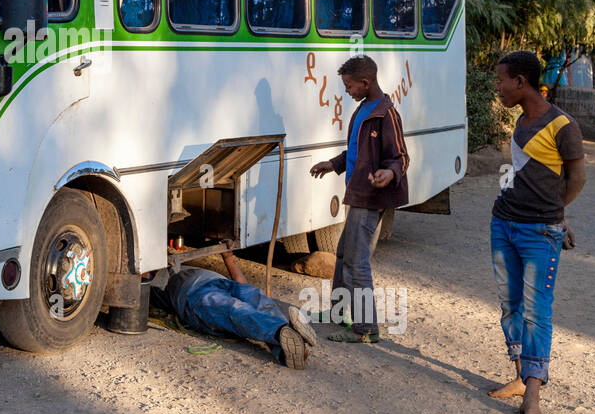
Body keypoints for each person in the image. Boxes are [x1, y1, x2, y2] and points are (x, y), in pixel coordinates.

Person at [487, 51, 587, 414]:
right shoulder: (521, 121)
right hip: (504, 223)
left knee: (536, 309)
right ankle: (520, 374)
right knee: (510, 303)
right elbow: (523, 173)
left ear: (520, 82)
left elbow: (576, 179)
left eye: (501, 81)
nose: (497, 88)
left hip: (539, 230)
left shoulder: (563, 125)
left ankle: (533, 393)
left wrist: (555, 216)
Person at [308, 55, 409, 343]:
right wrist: (334, 163)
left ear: (366, 82)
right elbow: (355, 152)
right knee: (343, 254)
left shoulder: (386, 114)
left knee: (356, 261)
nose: (347, 91)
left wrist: (389, 174)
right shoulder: (364, 109)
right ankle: (339, 313)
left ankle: (366, 329)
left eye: (350, 86)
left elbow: (400, 157)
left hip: (371, 198)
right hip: (358, 194)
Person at [150, 250, 317, 368]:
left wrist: (228, 258)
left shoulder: (181, 266)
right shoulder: (154, 283)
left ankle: (288, 350)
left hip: (224, 283)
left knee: (257, 297)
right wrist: (154, 265)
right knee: (234, 309)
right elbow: (141, 283)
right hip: (194, 295)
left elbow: (243, 285)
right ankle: (282, 331)